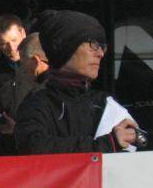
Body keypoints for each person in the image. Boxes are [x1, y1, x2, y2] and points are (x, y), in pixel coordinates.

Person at [15, 9, 141, 154]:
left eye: (102, 47)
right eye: (93, 44)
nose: (100, 53)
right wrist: (107, 144)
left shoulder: (105, 102)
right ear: (65, 47)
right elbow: (34, 148)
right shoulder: (37, 104)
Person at [0, 32, 49, 155]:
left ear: (36, 61)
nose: (22, 70)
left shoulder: (43, 94)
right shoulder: (55, 87)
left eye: (23, 63)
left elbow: (32, 144)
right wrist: (16, 128)